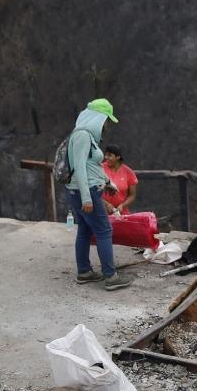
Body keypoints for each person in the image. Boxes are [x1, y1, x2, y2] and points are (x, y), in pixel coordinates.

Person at [65, 98, 133, 291]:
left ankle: (85, 272)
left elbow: (91, 166)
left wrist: (107, 183)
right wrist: (87, 198)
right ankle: (111, 277)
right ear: (97, 117)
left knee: (86, 231)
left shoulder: (87, 137)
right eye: (105, 120)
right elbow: (79, 168)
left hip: (86, 190)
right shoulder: (82, 136)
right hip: (85, 193)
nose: (106, 125)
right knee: (104, 231)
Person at [102, 144, 138, 215]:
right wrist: (106, 204)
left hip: (121, 213)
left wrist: (122, 205)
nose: (106, 157)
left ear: (118, 157)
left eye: (109, 155)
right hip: (102, 212)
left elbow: (132, 195)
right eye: (105, 155)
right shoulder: (100, 168)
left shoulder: (128, 172)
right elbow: (93, 192)